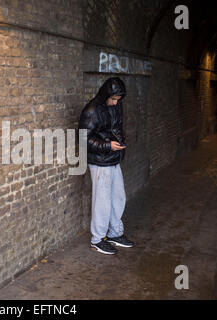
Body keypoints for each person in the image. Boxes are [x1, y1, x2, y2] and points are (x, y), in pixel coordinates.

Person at [78, 77, 134, 255]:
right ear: (105, 95)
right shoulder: (92, 110)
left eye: (118, 99)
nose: (115, 102)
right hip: (99, 160)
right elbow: (82, 139)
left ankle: (115, 234)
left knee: (118, 197)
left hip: (113, 157)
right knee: (102, 200)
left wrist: (119, 143)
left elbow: (116, 127)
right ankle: (97, 239)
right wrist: (108, 145)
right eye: (113, 99)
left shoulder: (116, 105)